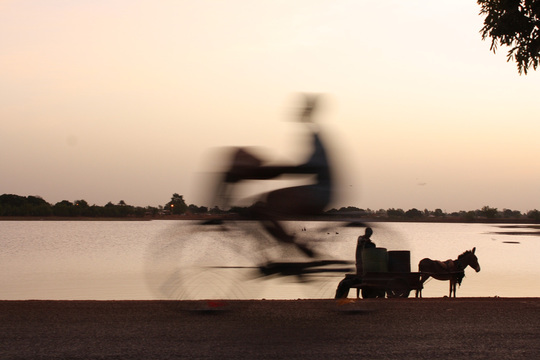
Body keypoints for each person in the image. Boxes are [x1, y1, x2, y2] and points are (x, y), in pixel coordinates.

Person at [213, 94, 333, 257]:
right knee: (262, 206)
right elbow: (305, 167)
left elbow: (311, 168)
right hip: (319, 190)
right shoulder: (315, 136)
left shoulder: (317, 138)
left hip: (320, 193)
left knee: (266, 204)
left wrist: (274, 170)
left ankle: (294, 248)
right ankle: (292, 248)